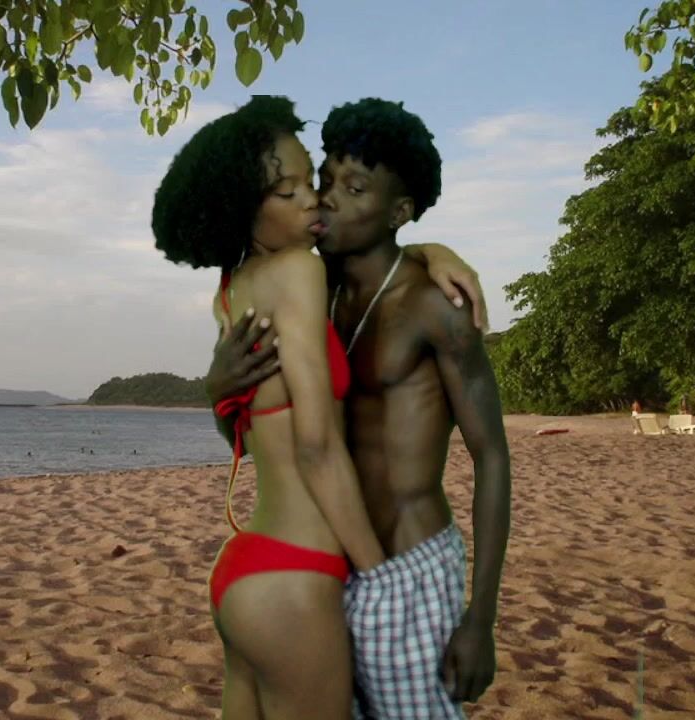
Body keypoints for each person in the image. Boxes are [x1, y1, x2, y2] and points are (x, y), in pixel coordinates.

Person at [152, 96, 478, 719]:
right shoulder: (298, 272)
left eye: (310, 182)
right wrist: (380, 574)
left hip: (244, 571)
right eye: (287, 191)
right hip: (297, 578)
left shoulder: (232, 290)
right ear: (243, 208)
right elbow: (316, 447)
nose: (311, 202)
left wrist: (427, 250)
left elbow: (249, 429)